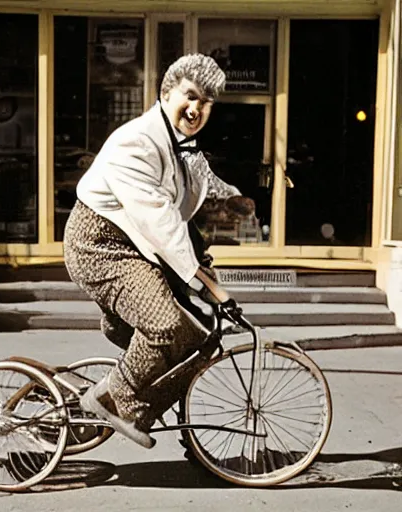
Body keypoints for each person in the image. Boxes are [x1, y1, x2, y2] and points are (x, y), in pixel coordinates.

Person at [64, 53, 255, 449]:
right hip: (100, 244)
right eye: (190, 96)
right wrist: (208, 285)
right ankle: (115, 399)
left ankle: (130, 402)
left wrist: (235, 198)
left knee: (200, 336)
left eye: (206, 103)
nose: (197, 108)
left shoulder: (182, 143)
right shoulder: (136, 140)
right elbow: (160, 223)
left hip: (136, 246)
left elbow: (204, 181)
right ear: (167, 92)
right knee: (166, 325)